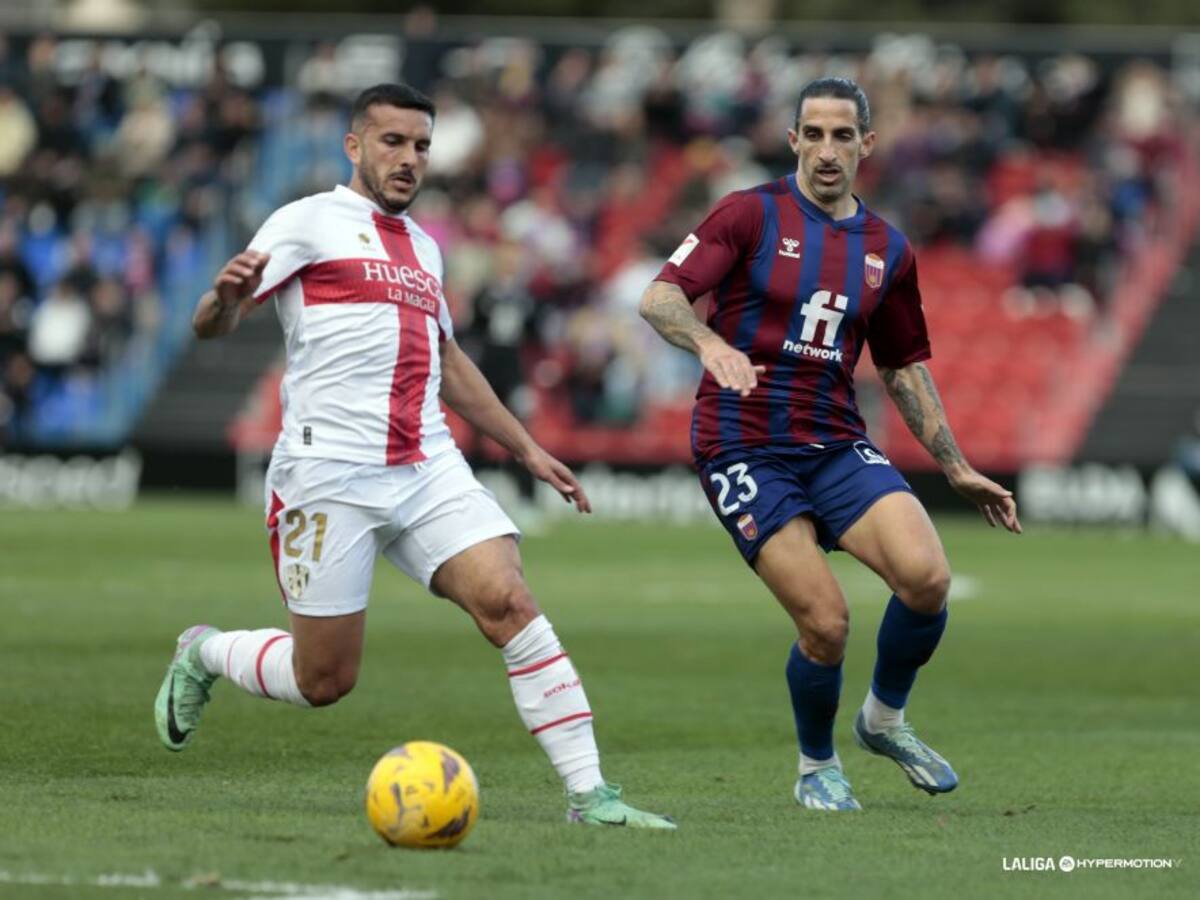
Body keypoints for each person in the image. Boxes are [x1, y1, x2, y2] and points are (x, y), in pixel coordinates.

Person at [154, 83, 674, 831]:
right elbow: (216, 322)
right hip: (328, 473)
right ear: (354, 146)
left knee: (510, 602)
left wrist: (527, 448)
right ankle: (205, 653)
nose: (408, 159)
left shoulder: (426, 247)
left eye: (421, 145)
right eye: (392, 142)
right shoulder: (306, 221)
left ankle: (592, 796)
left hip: (425, 464)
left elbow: (449, 362)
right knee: (323, 679)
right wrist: (223, 297)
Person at [639, 77, 1021, 812]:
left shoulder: (887, 248)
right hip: (742, 443)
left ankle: (884, 720)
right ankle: (817, 766)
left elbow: (903, 367)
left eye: (841, 135)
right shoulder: (749, 213)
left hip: (835, 442)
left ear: (866, 145)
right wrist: (711, 343)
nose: (826, 150)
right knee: (826, 621)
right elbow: (659, 296)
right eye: (812, 134)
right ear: (792, 141)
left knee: (928, 579)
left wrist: (957, 465)